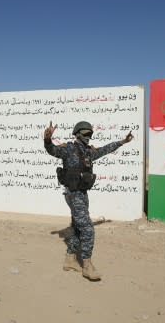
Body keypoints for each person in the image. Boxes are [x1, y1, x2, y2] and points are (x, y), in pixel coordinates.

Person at [43, 120, 133, 281]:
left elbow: (105, 149)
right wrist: (47, 139)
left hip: (82, 193)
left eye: (90, 133)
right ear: (77, 134)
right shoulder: (69, 149)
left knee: (79, 228)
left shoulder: (88, 152)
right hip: (73, 193)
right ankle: (87, 266)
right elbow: (53, 151)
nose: (88, 136)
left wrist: (123, 142)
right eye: (85, 133)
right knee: (88, 229)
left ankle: (70, 260)